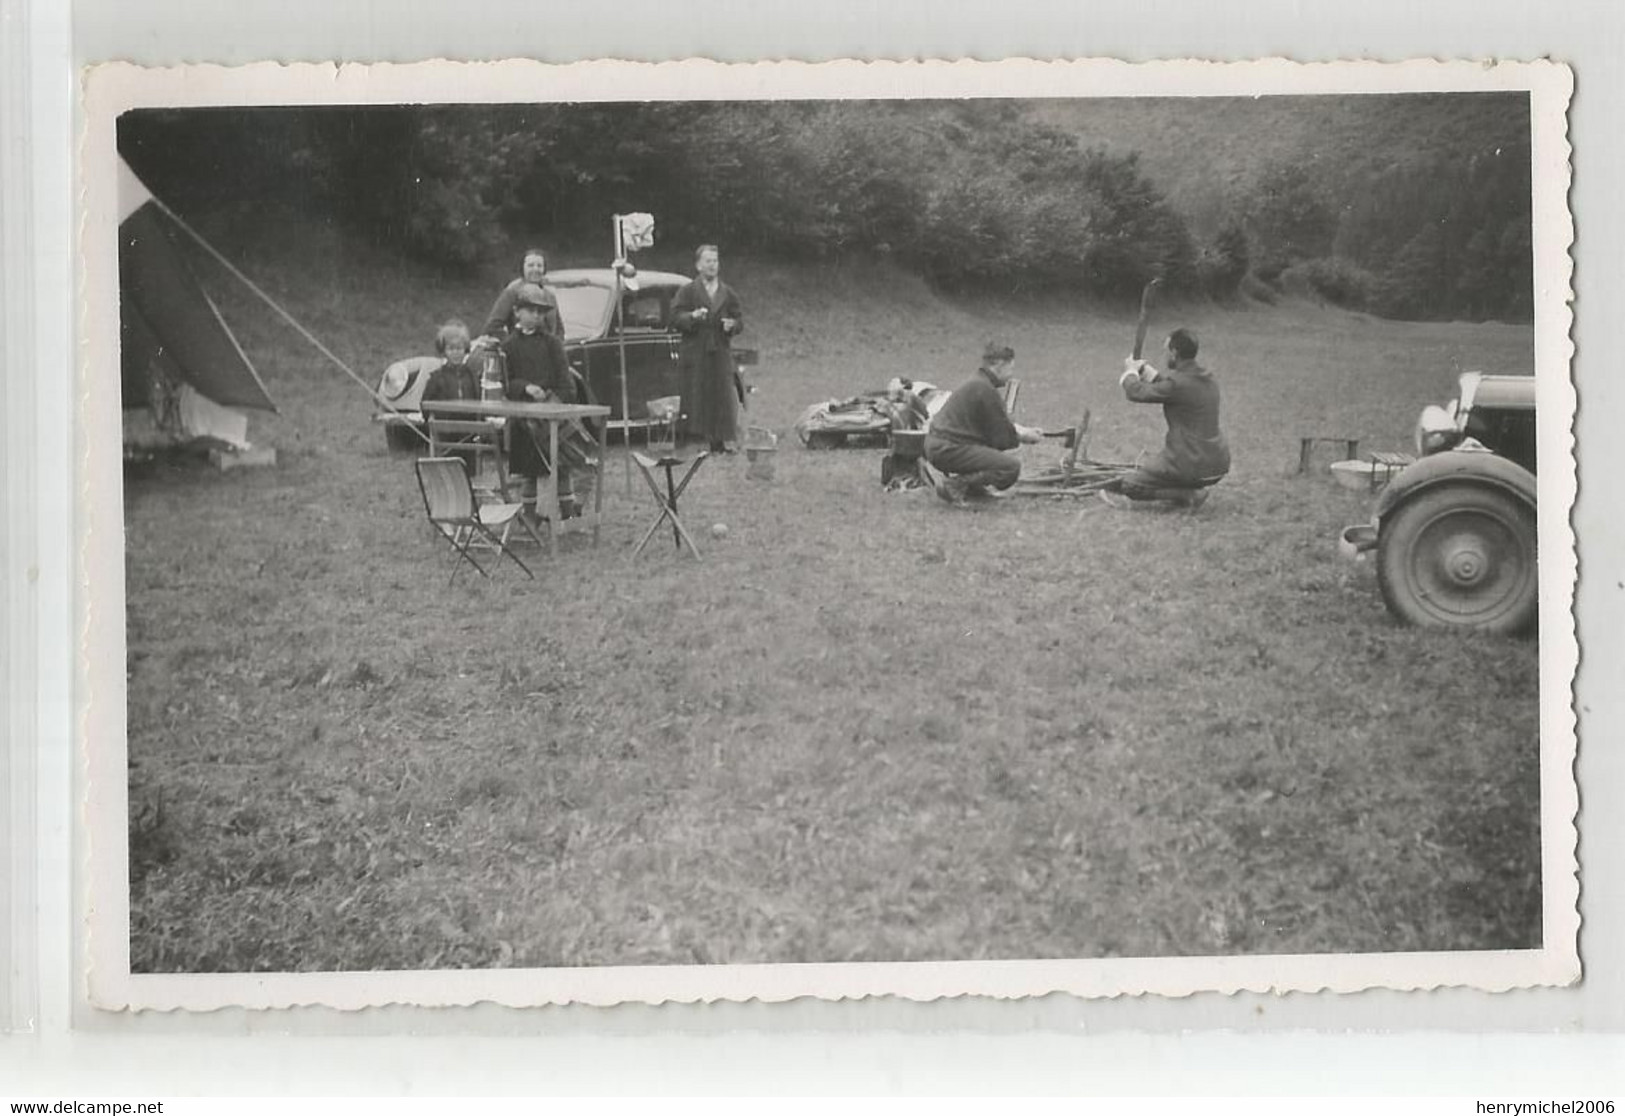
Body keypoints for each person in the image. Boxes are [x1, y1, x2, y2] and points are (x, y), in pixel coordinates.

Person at [1100, 327, 1230, 510]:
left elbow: (1136, 392)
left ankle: (1189, 494)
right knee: (1155, 470)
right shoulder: (1206, 378)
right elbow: (1172, 388)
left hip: (1189, 462)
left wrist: (1130, 372)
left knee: (1131, 484)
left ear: (1174, 353)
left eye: (1166, 350)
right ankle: (1188, 488)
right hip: (1217, 464)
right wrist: (1146, 371)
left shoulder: (1178, 384)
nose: (1164, 355)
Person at [501, 284, 595, 518]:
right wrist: (525, 387)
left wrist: (553, 403)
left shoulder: (553, 343)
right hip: (523, 419)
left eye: (540, 311)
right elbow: (506, 383)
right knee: (529, 472)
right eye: (530, 310)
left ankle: (567, 514)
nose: (536, 316)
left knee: (561, 468)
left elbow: (566, 382)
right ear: (517, 312)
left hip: (554, 417)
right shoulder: (508, 346)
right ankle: (531, 518)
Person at [923, 342, 1043, 505]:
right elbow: (1001, 437)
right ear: (999, 365)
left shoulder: (979, 383)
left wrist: (1022, 430)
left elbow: (996, 424)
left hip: (941, 445)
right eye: (1010, 369)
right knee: (1009, 467)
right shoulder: (984, 389)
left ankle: (974, 490)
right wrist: (1024, 437)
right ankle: (955, 486)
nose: (1010, 375)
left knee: (992, 454)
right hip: (948, 448)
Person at [671, 244, 745, 453]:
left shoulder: (727, 293)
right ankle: (692, 438)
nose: (712, 265)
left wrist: (732, 325)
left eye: (715, 261)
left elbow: (739, 319)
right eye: (708, 261)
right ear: (698, 265)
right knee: (695, 393)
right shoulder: (687, 291)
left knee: (721, 394)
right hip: (695, 350)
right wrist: (692, 317)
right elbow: (675, 317)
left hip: (719, 350)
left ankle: (718, 441)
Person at [479, 248, 563, 343]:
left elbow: (559, 329)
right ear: (522, 268)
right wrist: (513, 343)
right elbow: (492, 327)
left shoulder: (550, 295)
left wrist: (557, 347)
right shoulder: (512, 292)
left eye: (539, 266)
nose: (535, 269)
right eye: (530, 265)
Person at [419, 320, 480, 408]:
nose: (455, 353)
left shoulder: (472, 376)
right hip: (444, 420)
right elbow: (425, 405)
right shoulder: (437, 378)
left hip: (468, 420)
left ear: (465, 349)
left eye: (459, 348)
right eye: (451, 349)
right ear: (444, 350)